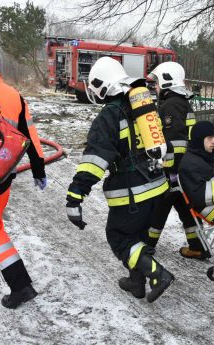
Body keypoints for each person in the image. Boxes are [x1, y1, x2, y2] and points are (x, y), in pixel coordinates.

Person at [66, 56, 174, 303]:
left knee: (119, 236)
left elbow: (94, 160)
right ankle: (136, 282)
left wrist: (75, 194)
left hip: (133, 191)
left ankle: (157, 274)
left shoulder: (109, 115)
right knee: (136, 237)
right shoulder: (141, 105)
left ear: (103, 86)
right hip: (157, 187)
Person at [0, 48, 47, 308]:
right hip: (4, 174)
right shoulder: (14, 96)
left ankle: (21, 286)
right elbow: (30, 136)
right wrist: (39, 169)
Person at [146, 61, 206, 259]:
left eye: (156, 83)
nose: (155, 88)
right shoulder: (181, 102)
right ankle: (198, 246)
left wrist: (170, 171)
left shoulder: (171, 105)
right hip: (184, 167)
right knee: (184, 206)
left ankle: (147, 244)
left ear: (166, 82)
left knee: (160, 205)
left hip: (175, 170)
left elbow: (176, 142)